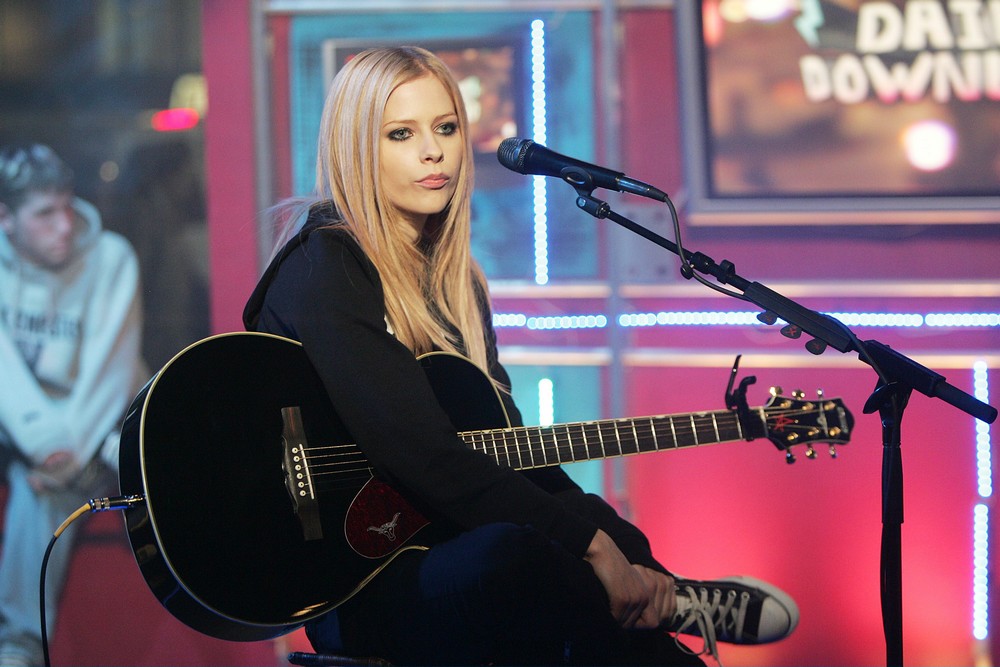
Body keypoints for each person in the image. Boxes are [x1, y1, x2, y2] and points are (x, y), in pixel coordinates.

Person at [243, 46, 798, 666]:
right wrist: (590, 546)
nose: (433, 152)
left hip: (444, 540)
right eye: (401, 134)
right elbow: (420, 453)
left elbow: (510, 450)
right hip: (362, 579)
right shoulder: (326, 265)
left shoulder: (457, 284)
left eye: (445, 128)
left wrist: (620, 548)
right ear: (355, 149)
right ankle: (671, 611)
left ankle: (669, 600)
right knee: (515, 555)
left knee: (599, 526)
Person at [0, 143, 145, 667]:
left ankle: (18, 649)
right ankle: (19, 646)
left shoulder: (110, 257)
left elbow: (112, 374)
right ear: (6, 219)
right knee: (37, 484)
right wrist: (43, 441)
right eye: (44, 214)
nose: (63, 225)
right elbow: (5, 375)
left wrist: (65, 454)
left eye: (67, 206)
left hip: (96, 421)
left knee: (63, 486)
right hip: (22, 427)